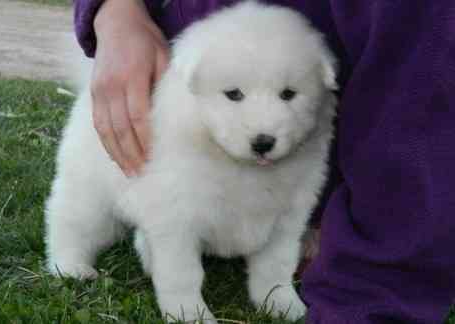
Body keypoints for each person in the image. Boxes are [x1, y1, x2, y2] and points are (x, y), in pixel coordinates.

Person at [73, 0, 455, 323]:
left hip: (350, 170)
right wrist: (116, 12)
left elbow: (421, 113)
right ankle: (74, 249)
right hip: (173, 68)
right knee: (136, 205)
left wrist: (369, 292)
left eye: (287, 94)